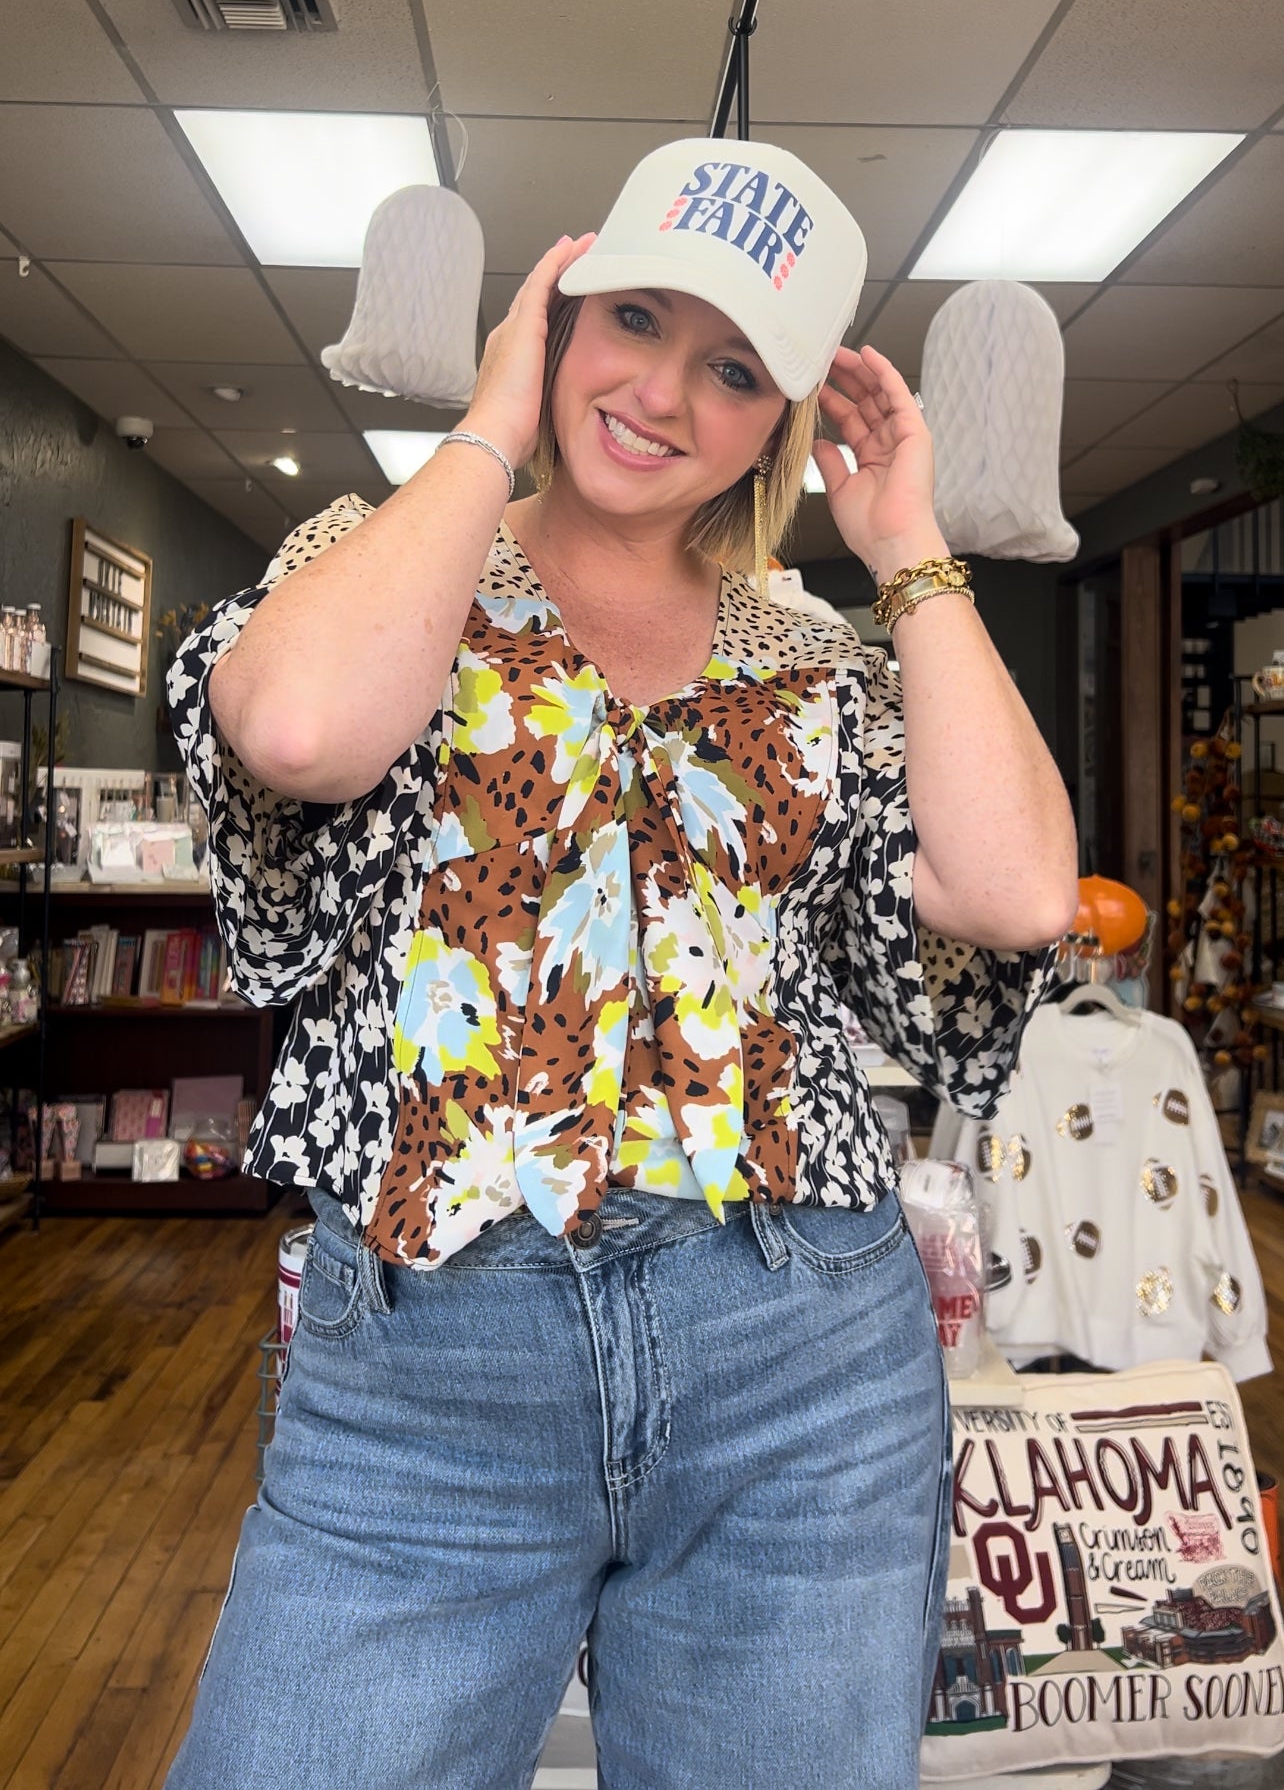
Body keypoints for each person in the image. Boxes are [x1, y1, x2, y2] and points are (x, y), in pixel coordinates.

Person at [163, 138, 1078, 1790]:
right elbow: (296, 729)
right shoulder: (392, 563)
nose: (662, 390)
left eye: (732, 369)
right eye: (633, 320)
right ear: (562, 312)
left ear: (777, 421)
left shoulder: (812, 656)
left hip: (799, 1363)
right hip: (437, 1359)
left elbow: (1016, 893)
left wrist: (913, 547)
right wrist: (489, 424)